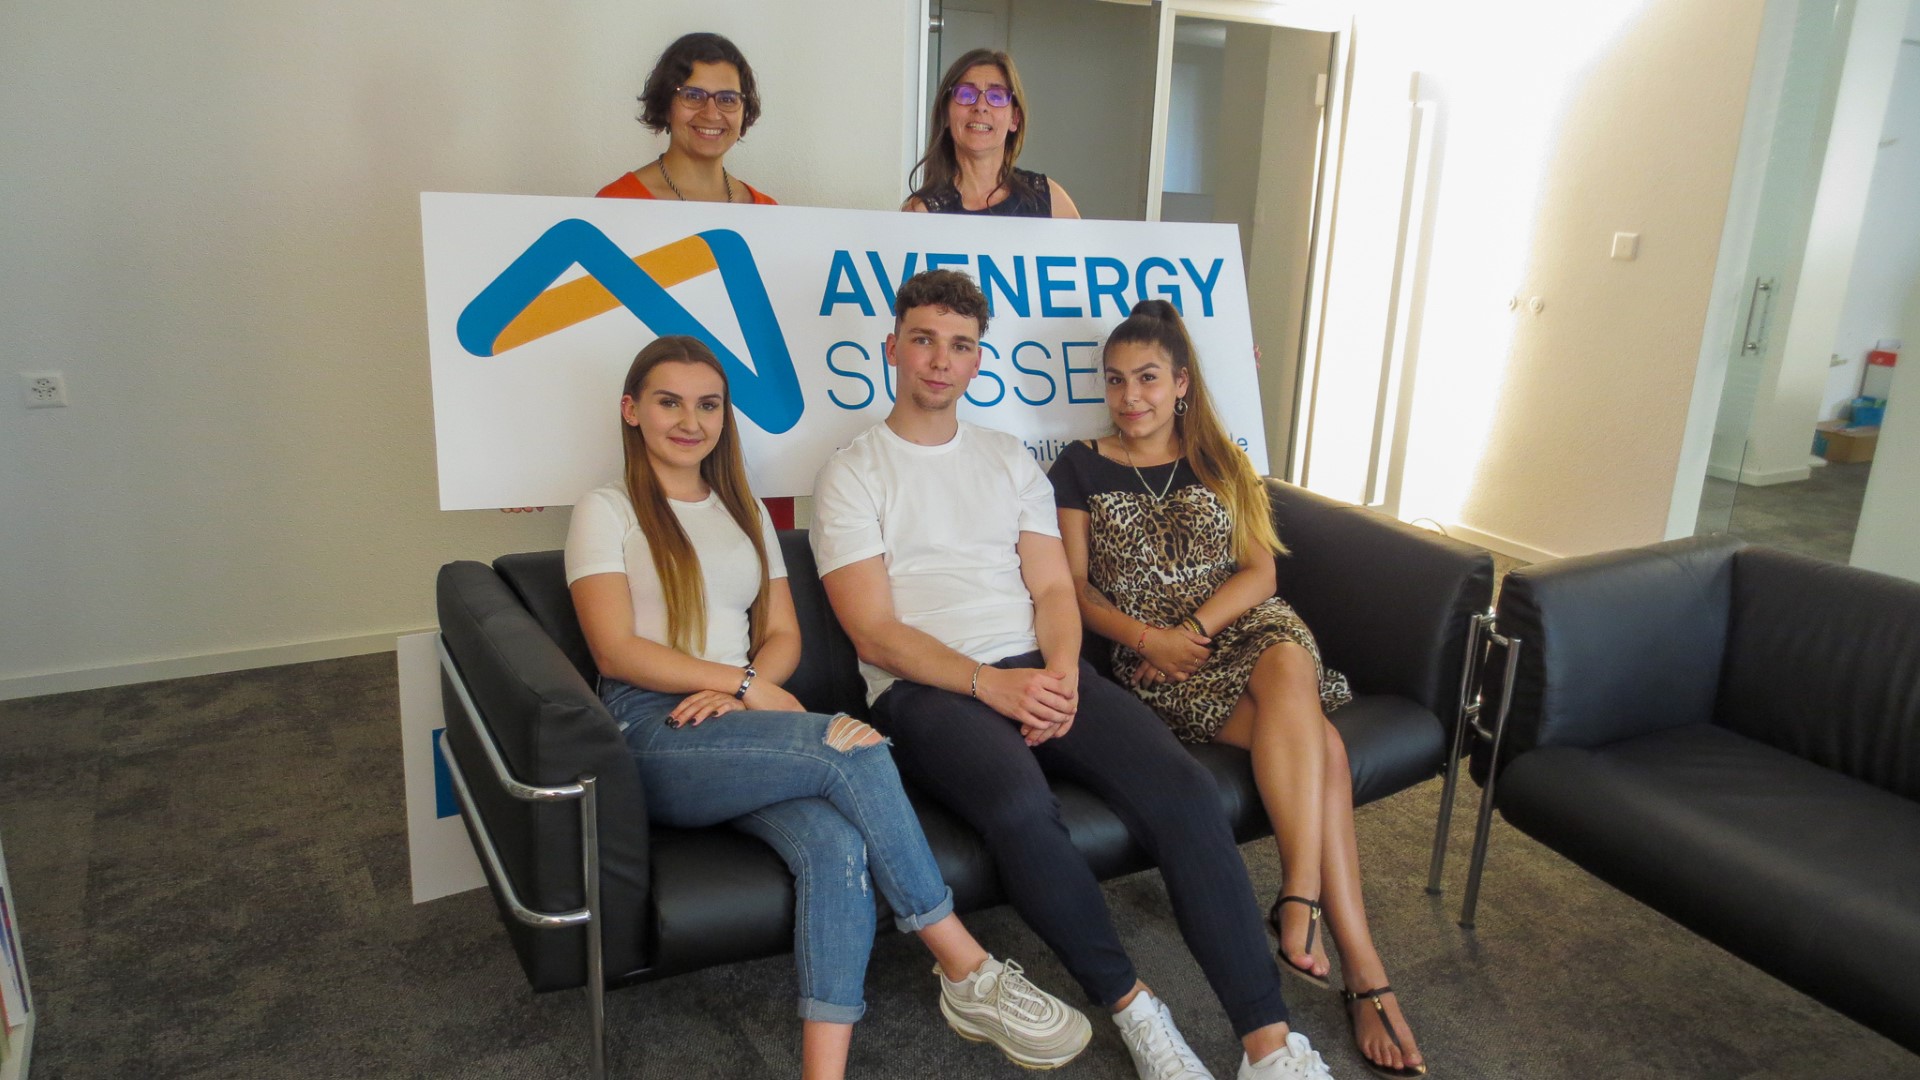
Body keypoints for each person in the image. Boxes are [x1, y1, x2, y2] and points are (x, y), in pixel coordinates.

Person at [811, 270, 1337, 1080]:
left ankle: (1268, 1045)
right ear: (892, 349)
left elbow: (1056, 590)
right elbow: (874, 633)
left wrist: (1061, 673)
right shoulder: (852, 472)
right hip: (926, 691)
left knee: (1184, 789)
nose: (941, 361)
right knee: (1023, 807)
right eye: (923, 340)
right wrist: (990, 686)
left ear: (977, 360)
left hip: (1038, 666)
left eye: (960, 345)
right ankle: (1135, 1010)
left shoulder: (1007, 459)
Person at [566, 335, 1089, 1080]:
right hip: (652, 727)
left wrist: (745, 687)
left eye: (708, 405)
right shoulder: (606, 508)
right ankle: (966, 968)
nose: (690, 421)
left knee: (836, 849)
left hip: (738, 722)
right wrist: (741, 683)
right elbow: (615, 649)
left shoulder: (743, 511)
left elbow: (783, 635)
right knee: (857, 748)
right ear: (631, 410)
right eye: (668, 402)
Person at [1049, 301, 1426, 1079]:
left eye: (1148, 379)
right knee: (1321, 747)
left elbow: (1261, 573)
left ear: (1181, 383)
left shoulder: (1220, 459)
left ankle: (1299, 893)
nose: (1130, 397)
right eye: (1115, 381)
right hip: (1155, 662)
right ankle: (1362, 967)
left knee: (1286, 656)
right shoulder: (1078, 466)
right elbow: (1074, 591)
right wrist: (1152, 640)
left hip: (1240, 628)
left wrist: (1194, 625)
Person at [599, 32, 778, 204]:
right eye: (693, 96)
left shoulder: (767, 211)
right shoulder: (615, 202)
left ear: (744, 112)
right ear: (666, 105)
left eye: (727, 99)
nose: (711, 114)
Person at [903, 49, 1081, 218]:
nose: (980, 106)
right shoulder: (920, 212)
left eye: (996, 96)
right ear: (946, 114)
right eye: (966, 94)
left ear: (1014, 119)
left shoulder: (1050, 202)